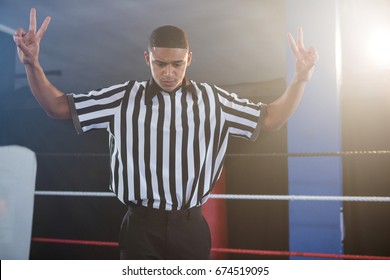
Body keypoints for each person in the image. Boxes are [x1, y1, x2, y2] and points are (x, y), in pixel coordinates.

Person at [13, 8, 318, 260]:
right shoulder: (123, 98)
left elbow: (271, 120)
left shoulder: (214, 100)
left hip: (191, 225)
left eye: (176, 64)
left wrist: (301, 79)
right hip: (140, 226)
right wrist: (31, 63)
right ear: (148, 59)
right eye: (160, 64)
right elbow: (57, 107)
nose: (168, 73)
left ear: (189, 60)